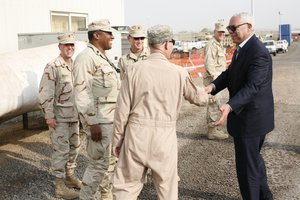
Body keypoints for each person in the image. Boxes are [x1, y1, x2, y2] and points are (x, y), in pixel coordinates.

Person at [112, 24, 208, 200]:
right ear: (166, 44)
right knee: (167, 189)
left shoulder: (133, 69)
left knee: (125, 188)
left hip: (136, 136)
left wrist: (117, 140)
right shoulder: (179, 73)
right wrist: (209, 90)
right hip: (164, 138)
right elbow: (199, 99)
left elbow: (122, 110)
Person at [205, 12, 274, 200]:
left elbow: (253, 87)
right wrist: (212, 87)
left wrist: (229, 105)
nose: (230, 32)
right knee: (253, 163)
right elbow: (229, 74)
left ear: (249, 27)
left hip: (251, 120)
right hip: (246, 119)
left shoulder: (258, 52)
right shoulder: (242, 48)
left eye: (234, 28)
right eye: (229, 28)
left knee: (247, 169)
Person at [73, 19, 120, 200]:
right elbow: (81, 92)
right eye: (108, 33)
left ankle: (105, 196)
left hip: (110, 119)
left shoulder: (101, 57)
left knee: (109, 163)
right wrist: (92, 123)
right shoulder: (86, 58)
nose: (112, 36)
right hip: (99, 121)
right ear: (96, 35)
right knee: (98, 165)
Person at [38, 33, 81, 200]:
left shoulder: (75, 65)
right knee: (60, 151)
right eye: (66, 45)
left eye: (72, 45)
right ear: (60, 47)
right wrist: (49, 116)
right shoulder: (53, 66)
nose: (69, 48)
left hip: (74, 116)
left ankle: (69, 177)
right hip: (60, 118)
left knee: (74, 148)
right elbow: (45, 93)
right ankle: (59, 186)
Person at [203, 22, 229, 140]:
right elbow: (209, 64)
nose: (222, 34)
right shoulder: (211, 45)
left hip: (218, 80)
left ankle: (214, 128)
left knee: (216, 103)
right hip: (213, 80)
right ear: (215, 32)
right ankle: (212, 131)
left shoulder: (218, 44)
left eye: (223, 32)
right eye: (220, 32)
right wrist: (215, 82)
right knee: (213, 104)